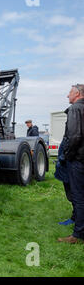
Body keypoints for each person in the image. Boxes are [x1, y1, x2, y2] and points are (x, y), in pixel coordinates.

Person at [58, 84, 84, 244]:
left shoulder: (75, 109)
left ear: (77, 94)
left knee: (78, 196)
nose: (67, 96)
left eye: (69, 93)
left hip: (77, 161)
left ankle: (77, 235)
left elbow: (75, 136)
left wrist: (67, 155)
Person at [55, 135, 75, 225]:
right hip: (66, 168)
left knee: (74, 196)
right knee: (72, 196)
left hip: (69, 168)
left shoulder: (76, 129)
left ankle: (75, 218)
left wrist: (62, 159)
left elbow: (72, 145)